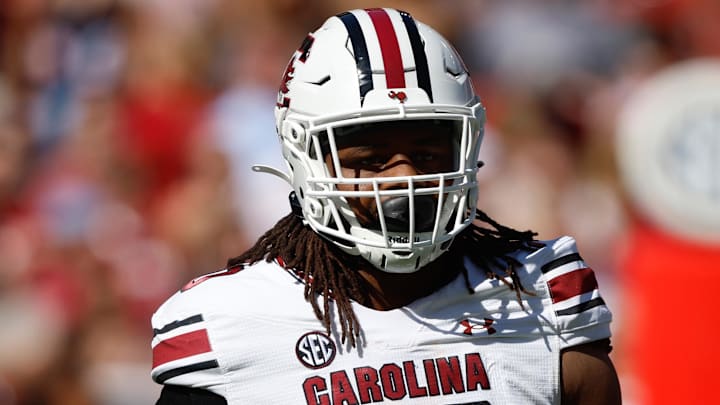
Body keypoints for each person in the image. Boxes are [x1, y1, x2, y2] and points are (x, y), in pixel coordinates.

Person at [150, 8, 621, 405]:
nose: (404, 179)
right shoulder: (229, 324)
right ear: (304, 158)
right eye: (372, 159)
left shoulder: (541, 297)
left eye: (427, 154)